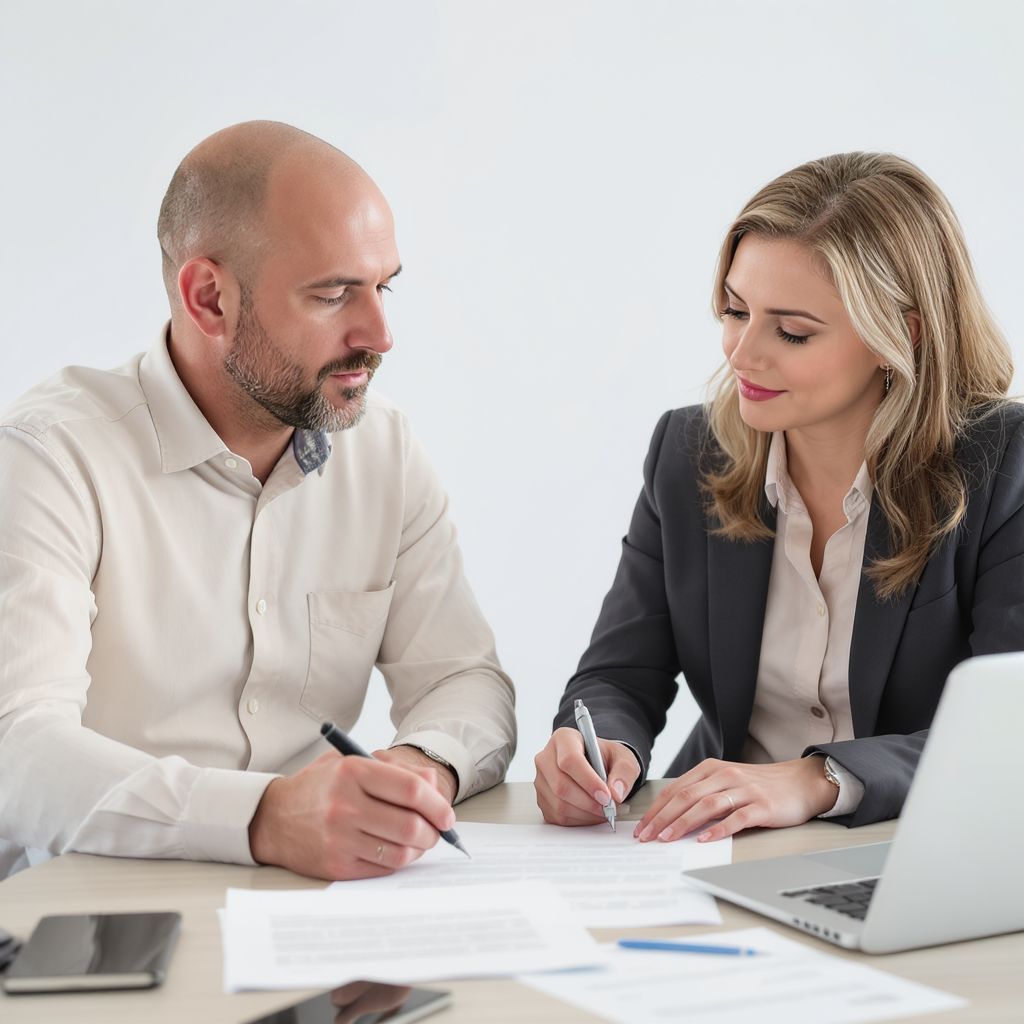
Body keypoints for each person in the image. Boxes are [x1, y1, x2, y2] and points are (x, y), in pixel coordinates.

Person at [0, 121, 515, 880]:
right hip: (94, 906)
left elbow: (463, 678)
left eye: (385, 286)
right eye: (334, 294)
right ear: (209, 297)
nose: (380, 333)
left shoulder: (385, 452)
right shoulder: (51, 458)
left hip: (309, 900)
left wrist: (416, 771)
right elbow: (18, 747)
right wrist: (265, 817)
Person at [535, 151, 1023, 843]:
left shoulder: (1006, 466)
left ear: (901, 335)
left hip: (917, 846)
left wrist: (817, 778)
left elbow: (1012, 732)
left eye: (792, 331)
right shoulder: (687, 452)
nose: (741, 353)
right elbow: (618, 674)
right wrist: (599, 745)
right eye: (735, 311)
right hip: (720, 844)